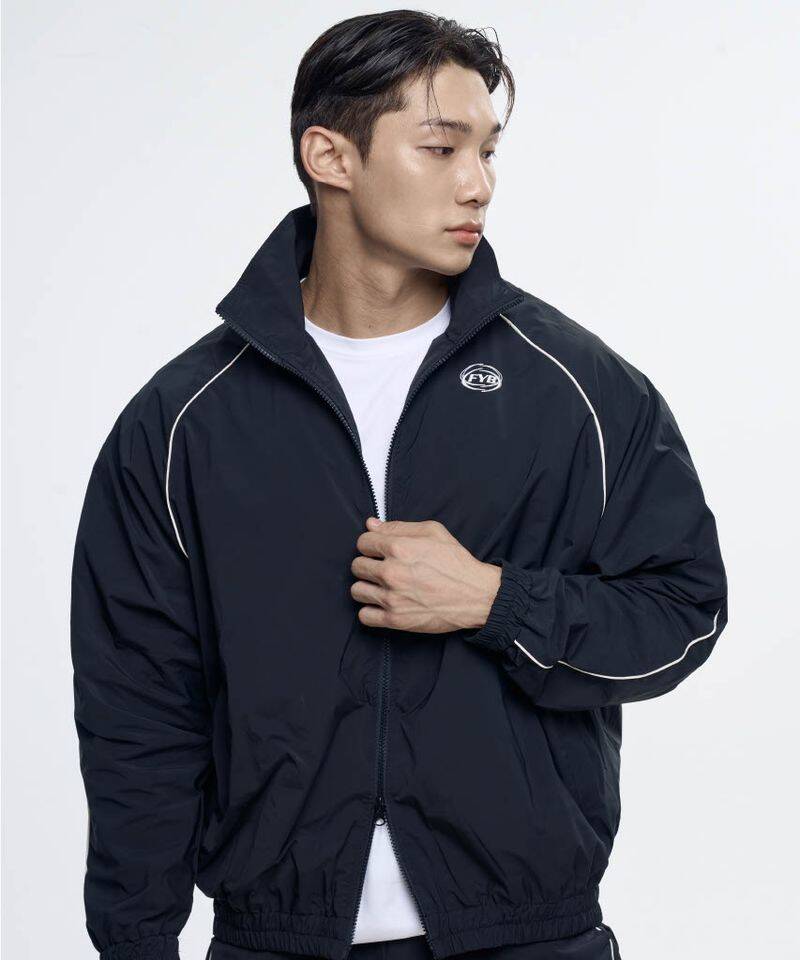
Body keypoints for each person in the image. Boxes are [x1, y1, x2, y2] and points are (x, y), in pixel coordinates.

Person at [70, 10, 727, 960]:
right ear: (330, 157)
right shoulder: (184, 423)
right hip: (277, 938)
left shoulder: (572, 388)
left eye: (488, 150)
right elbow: (138, 712)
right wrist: (136, 942)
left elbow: (684, 612)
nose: (479, 183)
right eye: (441, 147)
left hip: (530, 937)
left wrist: (497, 601)